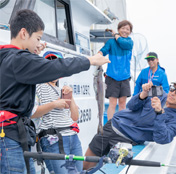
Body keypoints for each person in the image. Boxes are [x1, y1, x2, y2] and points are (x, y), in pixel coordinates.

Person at [0, 9, 110, 174]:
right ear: (24, 33)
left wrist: (32, 53)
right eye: (37, 38)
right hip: (11, 139)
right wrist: (90, 60)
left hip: (11, 135)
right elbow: (57, 66)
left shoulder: (7, 56)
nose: (39, 43)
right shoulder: (19, 59)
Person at [83, 77, 176, 170]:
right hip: (112, 127)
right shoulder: (158, 92)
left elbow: (162, 138)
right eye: (172, 88)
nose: (173, 93)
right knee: (85, 165)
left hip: (126, 141)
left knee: (109, 169)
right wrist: (143, 94)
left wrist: (160, 113)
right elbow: (131, 106)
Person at [31, 51, 82, 173]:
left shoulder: (62, 90)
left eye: (57, 65)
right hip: (52, 139)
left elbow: (75, 117)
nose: (54, 68)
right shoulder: (37, 85)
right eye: (50, 64)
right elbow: (33, 113)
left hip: (73, 137)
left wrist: (70, 96)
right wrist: (54, 104)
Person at [99, 20, 134, 120]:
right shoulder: (111, 42)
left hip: (125, 77)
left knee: (122, 104)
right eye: (122, 28)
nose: (125, 31)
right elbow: (104, 50)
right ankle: (110, 126)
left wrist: (115, 34)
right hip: (111, 77)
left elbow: (122, 43)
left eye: (127, 29)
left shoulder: (129, 42)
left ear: (130, 32)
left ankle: (121, 125)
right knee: (112, 103)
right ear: (119, 29)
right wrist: (98, 55)